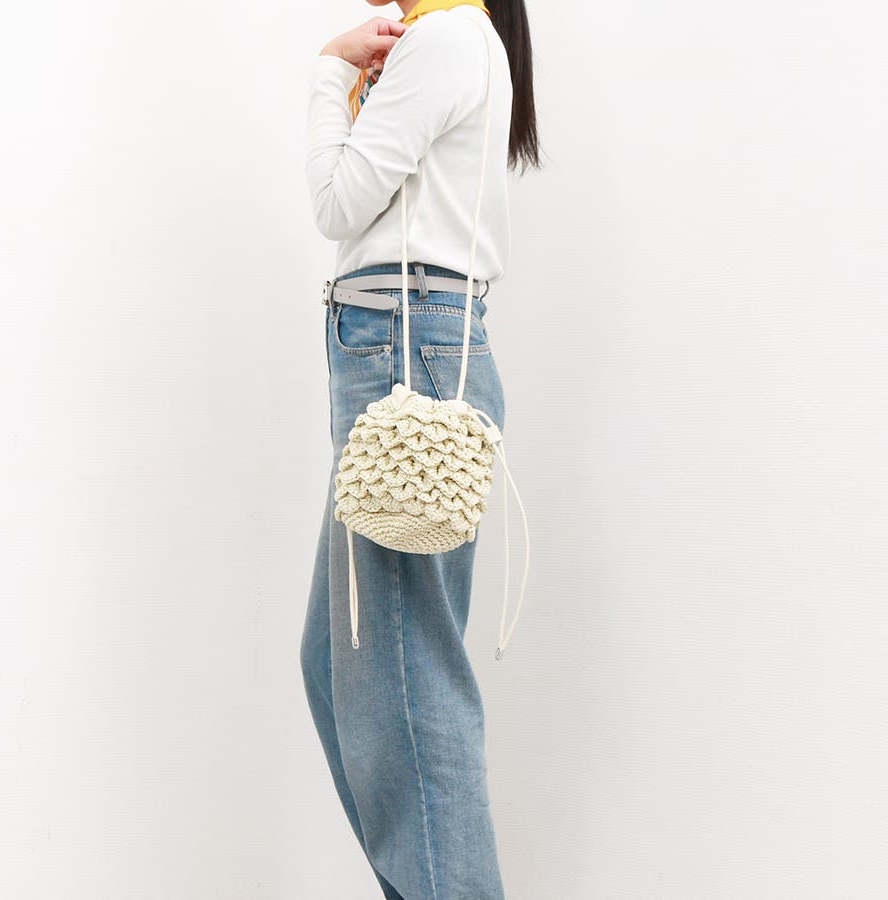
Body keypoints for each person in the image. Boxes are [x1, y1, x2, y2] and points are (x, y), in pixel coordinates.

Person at [300, 1, 541, 897]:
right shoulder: (454, 40)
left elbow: (336, 203)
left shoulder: (444, 38)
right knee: (340, 667)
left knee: (406, 682)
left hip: (402, 347)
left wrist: (332, 70)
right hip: (403, 342)